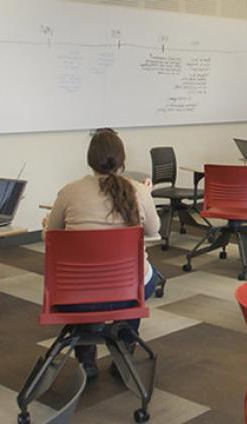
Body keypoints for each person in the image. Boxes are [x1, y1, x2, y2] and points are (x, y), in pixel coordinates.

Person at [44, 128, 161, 379]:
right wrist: (147, 196)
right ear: (122, 159)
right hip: (129, 293)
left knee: (85, 280)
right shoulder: (137, 190)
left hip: (74, 295)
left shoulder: (69, 191)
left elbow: (50, 237)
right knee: (152, 275)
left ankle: (85, 356)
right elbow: (154, 230)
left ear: (90, 159)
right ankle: (125, 348)